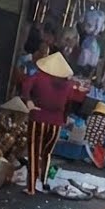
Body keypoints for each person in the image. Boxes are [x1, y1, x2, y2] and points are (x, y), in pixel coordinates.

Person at [21, 52, 73, 195]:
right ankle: (43, 182)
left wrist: (29, 102)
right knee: (47, 153)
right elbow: (69, 105)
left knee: (34, 152)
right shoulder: (68, 85)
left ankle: (31, 187)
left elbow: (25, 88)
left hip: (38, 118)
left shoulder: (38, 77)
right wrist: (64, 119)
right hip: (56, 123)